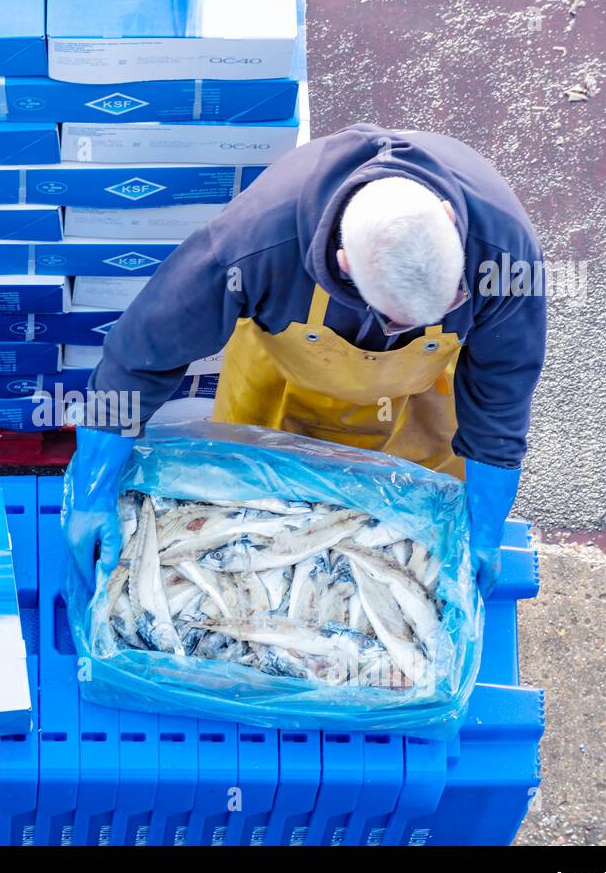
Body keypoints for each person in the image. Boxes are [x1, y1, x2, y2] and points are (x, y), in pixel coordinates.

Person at [65, 124, 547, 596]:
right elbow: (139, 354)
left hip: (418, 399)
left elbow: (502, 387)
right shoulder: (254, 244)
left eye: (450, 302)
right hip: (278, 395)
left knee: (411, 548)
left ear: (448, 216)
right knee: (258, 531)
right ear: (344, 265)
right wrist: (93, 491)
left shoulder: (505, 253)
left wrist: (485, 528)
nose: (412, 328)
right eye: (397, 320)